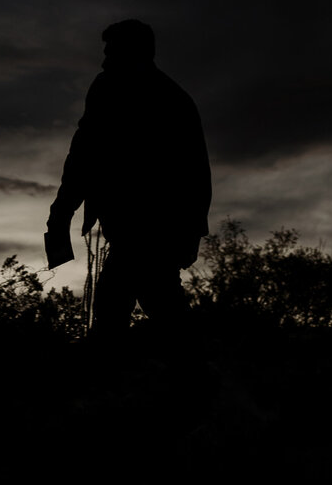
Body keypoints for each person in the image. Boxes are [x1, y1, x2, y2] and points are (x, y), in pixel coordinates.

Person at [46, 19, 211, 338]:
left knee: (133, 305)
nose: (106, 57)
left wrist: (191, 231)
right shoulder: (117, 88)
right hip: (137, 227)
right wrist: (63, 211)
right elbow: (85, 152)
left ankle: (199, 378)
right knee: (145, 304)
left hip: (154, 227)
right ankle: (197, 376)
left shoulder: (159, 97)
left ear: (134, 51)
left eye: (113, 50)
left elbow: (193, 171)